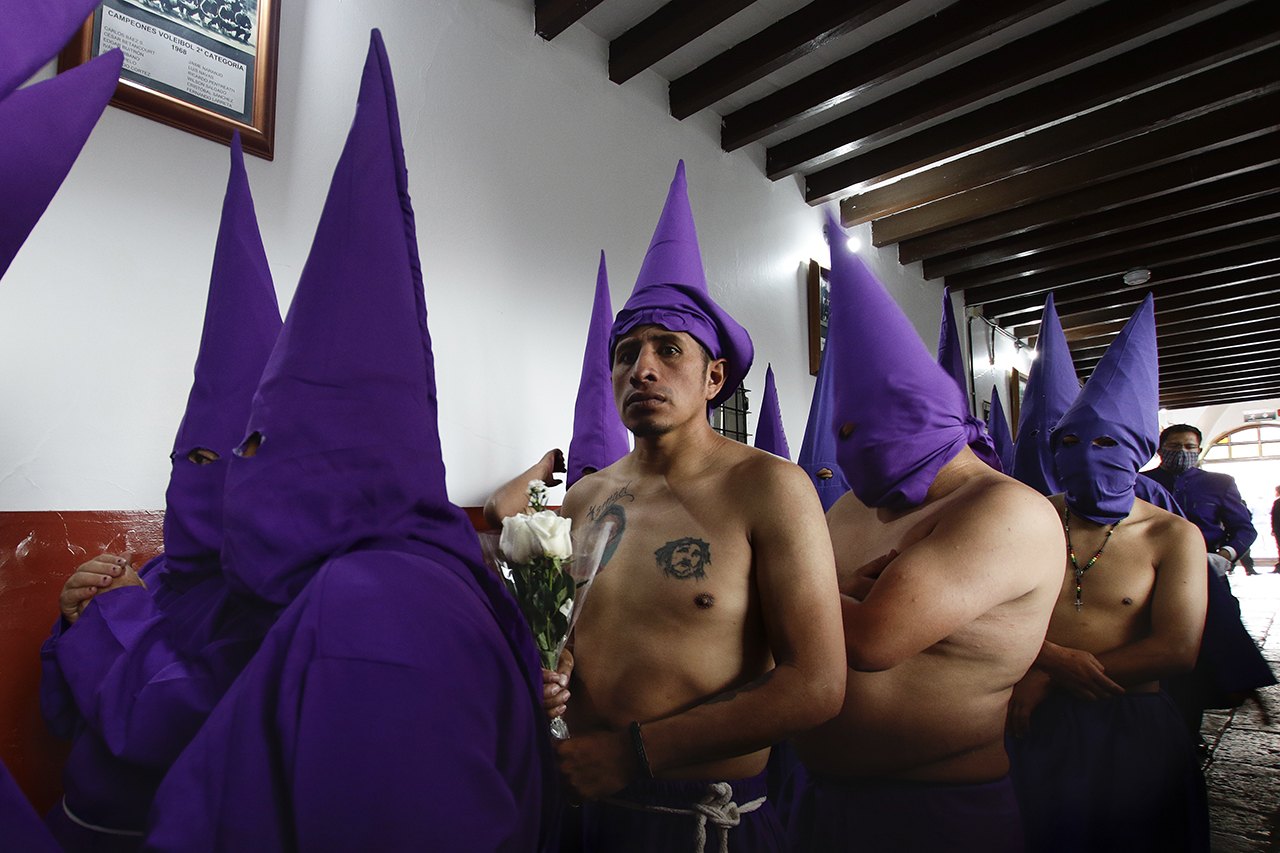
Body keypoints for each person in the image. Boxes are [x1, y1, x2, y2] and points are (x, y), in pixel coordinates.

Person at [143, 32, 553, 853]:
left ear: (338, 447)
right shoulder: (434, 570)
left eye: (260, 442)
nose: (238, 473)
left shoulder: (368, 606)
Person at [501, 162, 845, 853]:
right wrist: (547, 679)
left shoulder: (769, 488)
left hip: (701, 819)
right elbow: (566, 643)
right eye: (626, 354)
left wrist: (636, 752)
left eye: (667, 349)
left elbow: (817, 683)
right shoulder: (586, 499)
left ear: (714, 375)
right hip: (582, 808)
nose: (643, 368)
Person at [784, 215, 1062, 853]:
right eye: (841, 432)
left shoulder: (1005, 512)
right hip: (821, 804)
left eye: (867, 428)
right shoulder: (852, 507)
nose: (851, 450)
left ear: (924, 411)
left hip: (937, 813)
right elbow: (806, 618)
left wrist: (765, 588)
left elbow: (874, 638)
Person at [39, 131, 281, 853]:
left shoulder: (270, 607)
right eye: (193, 458)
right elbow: (63, 715)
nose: (204, 476)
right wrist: (73, 617)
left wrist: (114, 616)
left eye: (229, 460)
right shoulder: (159, 573)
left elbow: (173, 720)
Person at [1007, 295, 1210, 853]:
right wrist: (1047, 662)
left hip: (1127, 722)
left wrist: (1055, 673)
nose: (1085, 456)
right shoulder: (1033, 516)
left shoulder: (1172, 536)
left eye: (1106, 444)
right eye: (1069, 443)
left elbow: (1176, 648)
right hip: (1035, 720)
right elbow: (990, 609)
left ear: (1139, 452)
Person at [1141, 424, 1257, 576]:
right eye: (1174, 446)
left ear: (1199, 450)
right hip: (1149, 567)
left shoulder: (1219, 483)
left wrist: (1224, 556)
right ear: (1160, 449)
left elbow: (1244, 529)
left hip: (1204, 564)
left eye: (1190, 446)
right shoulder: (1140, 482)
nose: (1182, 451)